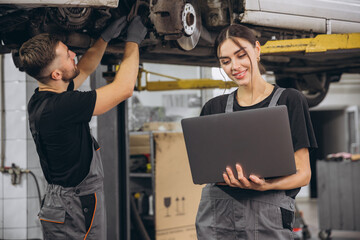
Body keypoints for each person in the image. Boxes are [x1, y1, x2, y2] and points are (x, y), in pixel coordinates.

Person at [20, 16, 147, 239]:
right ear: (56, 75)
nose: (74, 55)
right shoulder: (62, 107)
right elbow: (124, 88)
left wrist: (104, 38)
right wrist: (133, 41)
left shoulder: (42, 98)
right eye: (67, 56)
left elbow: (85, 69)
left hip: (63, 203)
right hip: (75, 206)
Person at [195, 24, 317, 240]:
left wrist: (266, 186)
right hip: (218, 216)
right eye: (226, 61)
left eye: (241, 55)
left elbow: (303, 173)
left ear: (257, 50)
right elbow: (206, 170)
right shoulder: (213, 108)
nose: (235, 66)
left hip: (268, 218)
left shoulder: (290, 100)